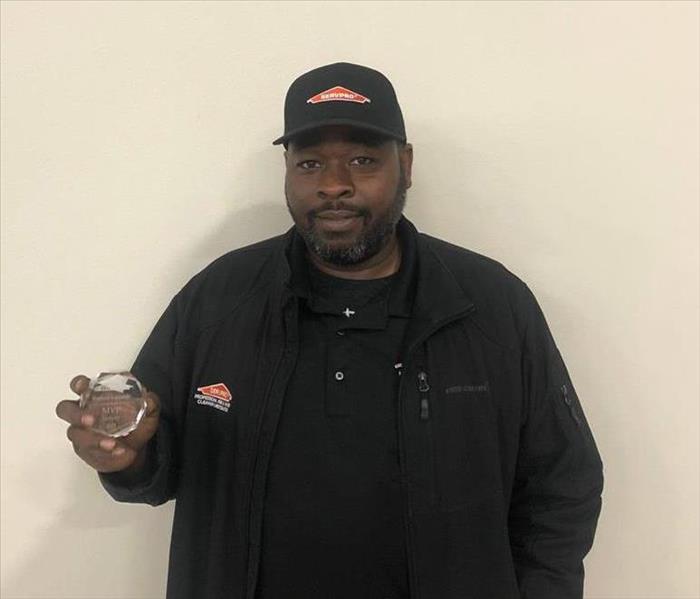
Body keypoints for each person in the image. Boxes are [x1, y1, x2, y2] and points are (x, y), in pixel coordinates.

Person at [56, 62, 604, 599]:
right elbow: (152, 451)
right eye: (311, 164)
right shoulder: (218, 298)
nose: (334, 186)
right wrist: (125, 455)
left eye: (363, 160)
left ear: (406, 165)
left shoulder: (490, 305)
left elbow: (562, 485)